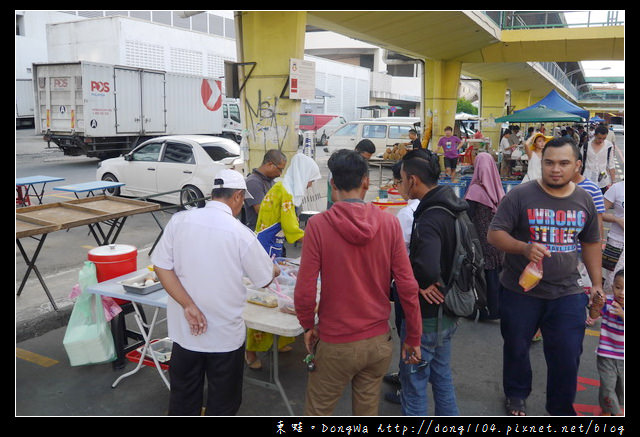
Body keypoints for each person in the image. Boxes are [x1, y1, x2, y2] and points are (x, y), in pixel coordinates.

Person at [294, 149, 423, 416]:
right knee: (366, 412)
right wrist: (413, 337)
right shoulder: (389, 224)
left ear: (332, 184)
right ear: (366, 181)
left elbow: (305, 289)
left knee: (318, 411)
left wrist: (307, 325)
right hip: (377, 342)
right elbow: (408, 286)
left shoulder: (319, 225)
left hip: (335, 342)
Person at [487, 137, 603, 416]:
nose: (555, 169)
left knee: (566, 355)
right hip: (520, 290)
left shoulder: (584, 199)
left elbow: (590, 243)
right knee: (516, 347)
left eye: (564, 163)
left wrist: (597, 284)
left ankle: (560, 407)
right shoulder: (520, 195)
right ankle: (516, 394)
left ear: (577, 166)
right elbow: (494, 234)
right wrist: (523, 248)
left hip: (567, 292)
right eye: (549, 162)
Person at [151, 169, 280, 416]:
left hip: (185, 333)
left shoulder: (180, 221)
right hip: (224, 337)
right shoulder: (240, 233)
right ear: (238, 197)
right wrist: (272, 269)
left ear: (213, 194)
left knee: (183, 399)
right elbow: (263, 280)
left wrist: (188, 305)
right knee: (223, 402)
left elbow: (161, 266)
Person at [397, 148, 466, 416]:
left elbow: (426, 266)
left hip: (425, 319)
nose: (402, 184)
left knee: (413, 386)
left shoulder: (429, 215)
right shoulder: (452, 205)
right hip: (448, 312)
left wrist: (420, 281)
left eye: (402, 179)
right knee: (442, 378)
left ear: (413, 180)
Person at [245, 152, 321, 369]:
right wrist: (316, 239)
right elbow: (290, 229)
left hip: (273, 246)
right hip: (267, 248)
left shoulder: (281, 188)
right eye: (309, 181)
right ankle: (251, 352)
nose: (308, 186)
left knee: (279, 294)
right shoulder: (284, 192)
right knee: (265, 299)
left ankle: (280, 341)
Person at [383, 162, 421, 403]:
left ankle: (406, 389)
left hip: (408, 284)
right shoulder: (434, 206)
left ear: (410, 181)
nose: (398, 187)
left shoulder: (408, 214)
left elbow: (393, 252)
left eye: (399, 182)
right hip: (425, 285)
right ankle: (403, 376)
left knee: (409, 334)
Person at [464, 152, 505, 320]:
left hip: (481, 241)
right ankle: (496, 308)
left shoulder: (475, 190)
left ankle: (483, 308)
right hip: (497, 238)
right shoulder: (498, 187)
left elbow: (467, 217)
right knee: (494, 275)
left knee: (482, 276)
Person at [589, 269, 624, 416]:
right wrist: (596, 305)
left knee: (620, 390)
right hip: (607, 354)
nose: (622, 293)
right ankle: (616, 414)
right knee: (607, 388)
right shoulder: (609, 301)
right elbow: (594, 315)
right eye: (618, 287)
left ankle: (606, 409)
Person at [243, 150, 288, 230]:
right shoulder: (253, 182)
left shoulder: (271, 182)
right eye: (279, 169)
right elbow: (262, 210)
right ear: (270, 164)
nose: (280, 174)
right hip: (259, 234)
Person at [327, 139, 375, 208]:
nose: (364, 162)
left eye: (367, 160)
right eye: (363, 158)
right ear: (356, 150)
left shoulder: (363, 169)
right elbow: (335, 197)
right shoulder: (340, 165)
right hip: (336, 209)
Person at [602, 181, 624, 293]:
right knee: (612, 282)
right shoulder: (617, 188)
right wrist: (617, 219)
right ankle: (608, 309)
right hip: (616, 243)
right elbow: (599, 213)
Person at [581, 125, 616, 194]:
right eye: (599, 138)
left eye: (604, 138)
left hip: (602, 181)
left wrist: (613, 182)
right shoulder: (586, 146)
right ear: (594, 135)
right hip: (587, 180)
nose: (601, 141)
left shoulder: (609, 146)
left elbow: (611, 165)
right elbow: (580, 164)